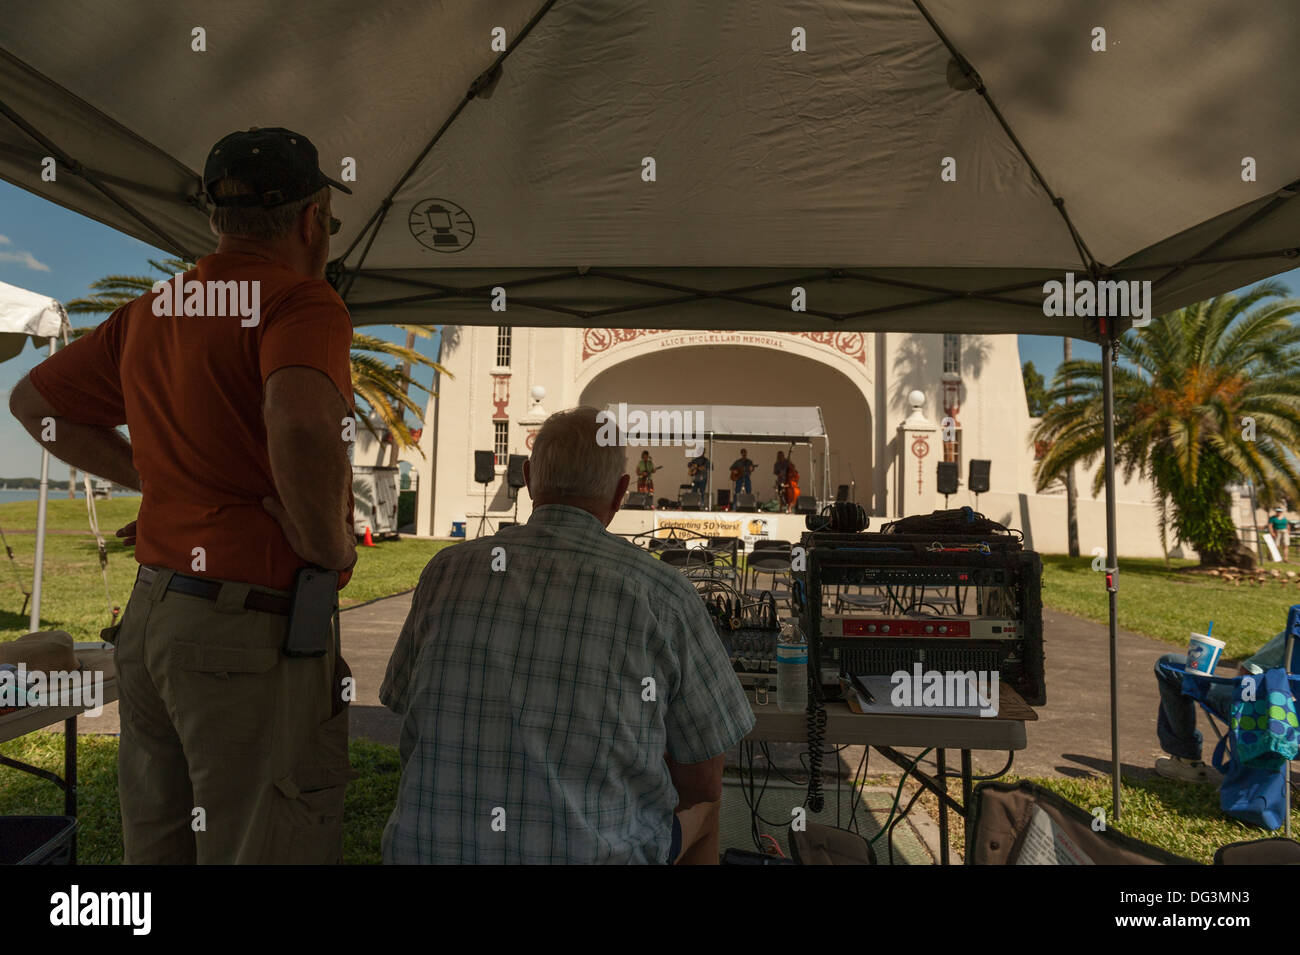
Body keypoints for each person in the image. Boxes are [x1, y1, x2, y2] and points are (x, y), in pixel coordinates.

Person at [9, 127, 358, 864]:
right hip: (246, 627)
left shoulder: (150, 312)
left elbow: (34, 402)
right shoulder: (303, 303)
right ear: (313, 217)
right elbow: (297, 416)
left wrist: (158, 476)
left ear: (214, 219)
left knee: (157, 846)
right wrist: (327, 542)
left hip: (154, 618)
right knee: (259, 839)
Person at [380, 407, 755, 863]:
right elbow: (703, 778)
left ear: (530, 478)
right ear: (621, 492)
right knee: (708, 808)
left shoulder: (445, 571)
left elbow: (404, 707)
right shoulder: (663, 593)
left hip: (426, 851)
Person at [1153, 629, 1296, 783]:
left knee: (1167, 664)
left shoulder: (1297, 627)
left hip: (1274, 723)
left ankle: (1185, 761)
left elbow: (1248, 674)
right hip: (1294, 732)